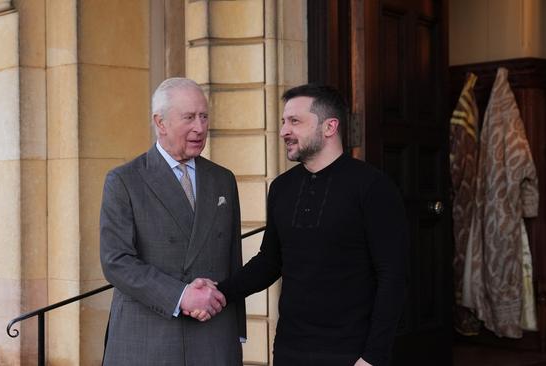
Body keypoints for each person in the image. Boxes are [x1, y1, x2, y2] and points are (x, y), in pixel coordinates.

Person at [198, 84, 408, 366]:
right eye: (284, 121)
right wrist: (220, 293)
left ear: (329, 126)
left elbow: (393, 276)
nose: (284, 130)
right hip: (289, 348)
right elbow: (270, 262)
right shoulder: (282, 188)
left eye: (295, 121)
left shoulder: (372, 186)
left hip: (351, 351)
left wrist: (373, 355)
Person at [99, 77, 246, 366]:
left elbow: (232, 259)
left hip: (214, 337)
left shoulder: (222, 179)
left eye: (204, 116)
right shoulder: (124, 180)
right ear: (161, 122)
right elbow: (116, 261)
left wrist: (236, 332)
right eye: (189, 117)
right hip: (148, 338)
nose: (200, 128)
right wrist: (181, 296)